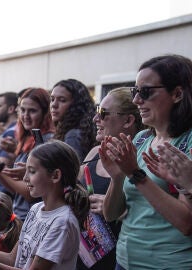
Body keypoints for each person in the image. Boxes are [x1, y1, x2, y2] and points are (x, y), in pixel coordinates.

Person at [101, 54, 192, 269]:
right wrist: (117, 177)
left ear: (177, 94)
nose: (136, 100)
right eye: (135, 91)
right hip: (124, 261)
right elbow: (111, 214)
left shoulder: (188, 143)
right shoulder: (142, 139)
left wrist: (136, 175)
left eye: (145, 92)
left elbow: (186, 223)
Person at [0, 141, 90, 269]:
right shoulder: (36, 209)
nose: (25, 178)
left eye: (32, 171)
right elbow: (13, 259)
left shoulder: (62, 222)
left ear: (55, 176)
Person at [76, 87, 143, 270]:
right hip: (86, 253)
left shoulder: (143, 161)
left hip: (121, 256)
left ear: (128, 120)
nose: (95, 118)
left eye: (102, 113)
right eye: (97, 110)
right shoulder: (94, 153)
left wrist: (116, 207)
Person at [0, 88, 55, 220]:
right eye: (22, 110)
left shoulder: (46, 140)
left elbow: (29, 192)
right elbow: (14, 188)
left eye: (32, 111)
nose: (25, 116)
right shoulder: (28, 138)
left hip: (32, 217)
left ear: (45, 113)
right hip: (20, 215)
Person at [50, 78, 96, 162]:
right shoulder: (76, 131)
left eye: (62, 100)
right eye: (52, 99)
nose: (54, 105)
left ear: (76, 105)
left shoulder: (73, 135)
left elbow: (72, 172)